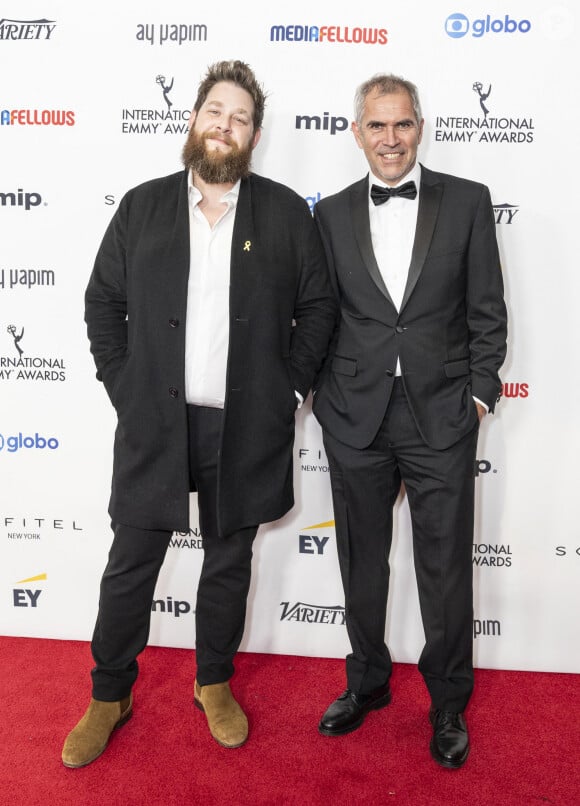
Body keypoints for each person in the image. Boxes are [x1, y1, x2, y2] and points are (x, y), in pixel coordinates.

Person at [62, 59, 336, 768]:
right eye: (216, 109)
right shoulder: (142, 206)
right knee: (131, 563)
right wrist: (127, 387)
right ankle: (108, 693)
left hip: (244, 427)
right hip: (155, 420)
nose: (225, 124)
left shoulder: (283, 214)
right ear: (193, 119)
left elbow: (318, 310)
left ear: (254, 135)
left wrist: (288, 392)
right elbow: (102, 305)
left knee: (227, 563)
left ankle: (213, 682)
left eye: (240, 116)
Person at [312, 73, 507, 769]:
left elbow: (488, 309)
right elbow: (319, 315)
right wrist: (318, 397)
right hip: (355, 416)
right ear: (357, 131)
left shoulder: (468, 202)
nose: (389, 140)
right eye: (376, 126)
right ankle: (365, 682)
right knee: (362, 563)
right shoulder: (330, 214)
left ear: (420, 126)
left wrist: (479, 396)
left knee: (446, 570)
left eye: (401, 125)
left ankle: (448, 703)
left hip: (442, 415)